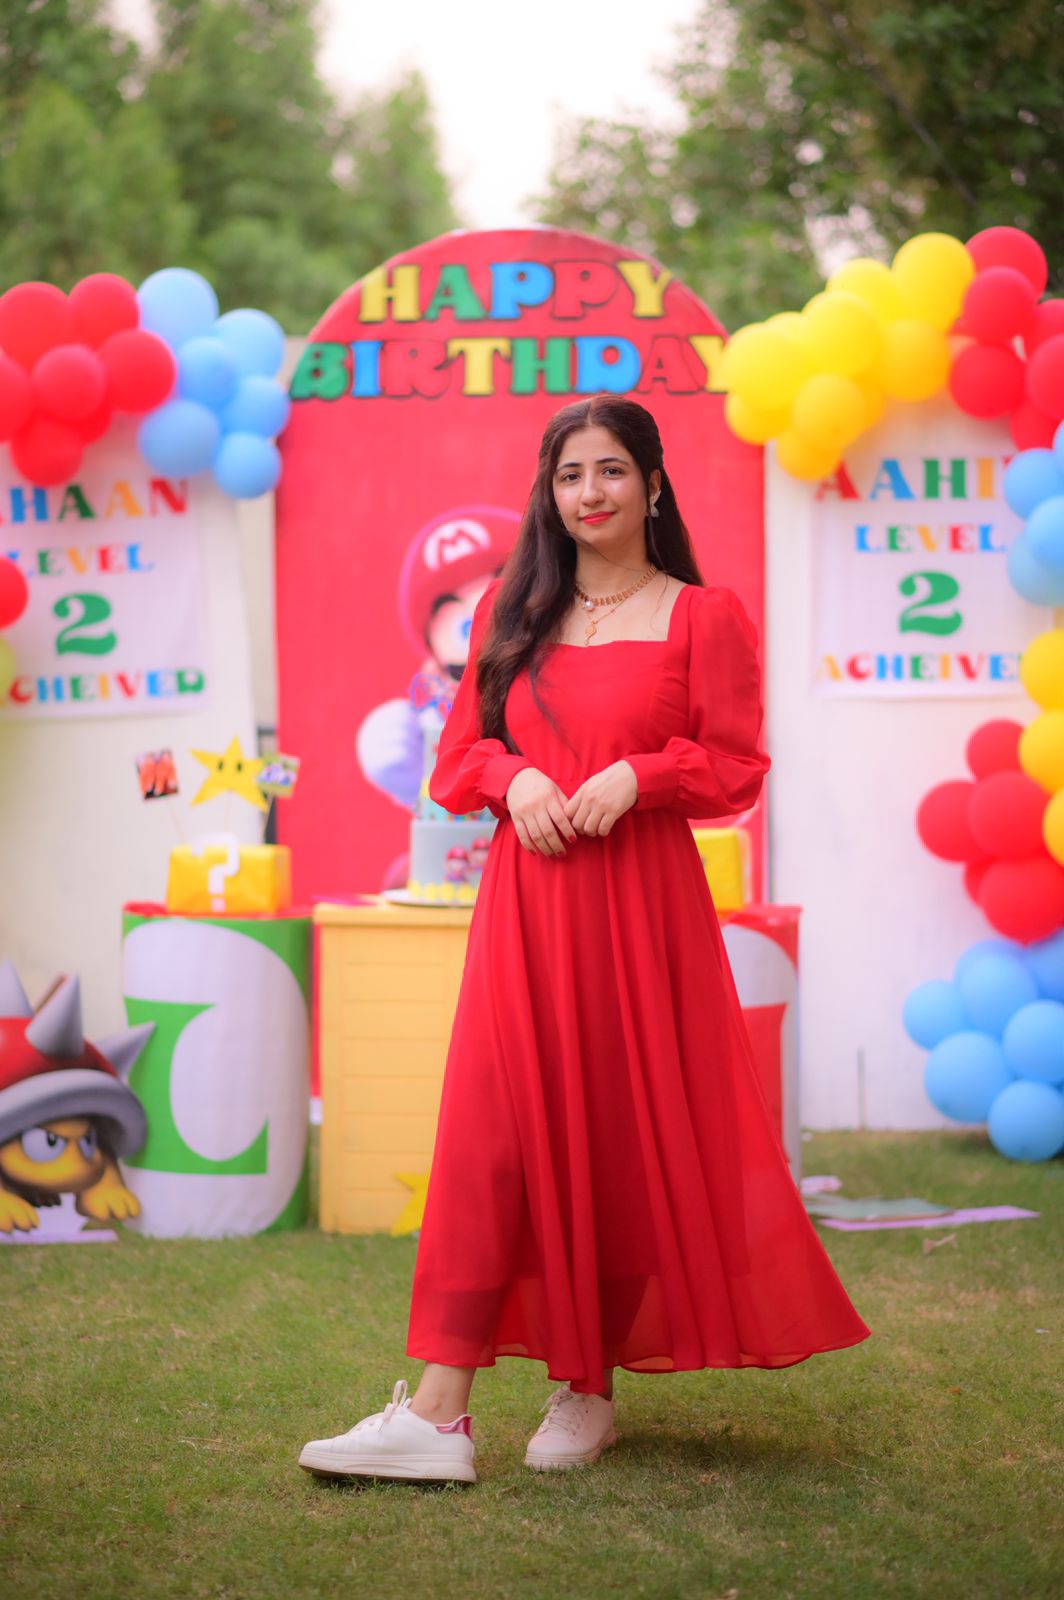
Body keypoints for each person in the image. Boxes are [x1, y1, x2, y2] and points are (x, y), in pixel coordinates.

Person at [299, 395, 871, 1485]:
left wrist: (639, 775)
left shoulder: (703, 616)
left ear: (652, 485)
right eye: (569, 476)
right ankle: (439, 1411)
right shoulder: (511, 614)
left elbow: (736, 765)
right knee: (489, 1137)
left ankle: (586, 1386)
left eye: (610, 471)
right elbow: (460, 754)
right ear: (548, 493)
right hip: (526, 908)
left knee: (610, 1133)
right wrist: (512, 778)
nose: (589, 493)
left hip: (640, 913)